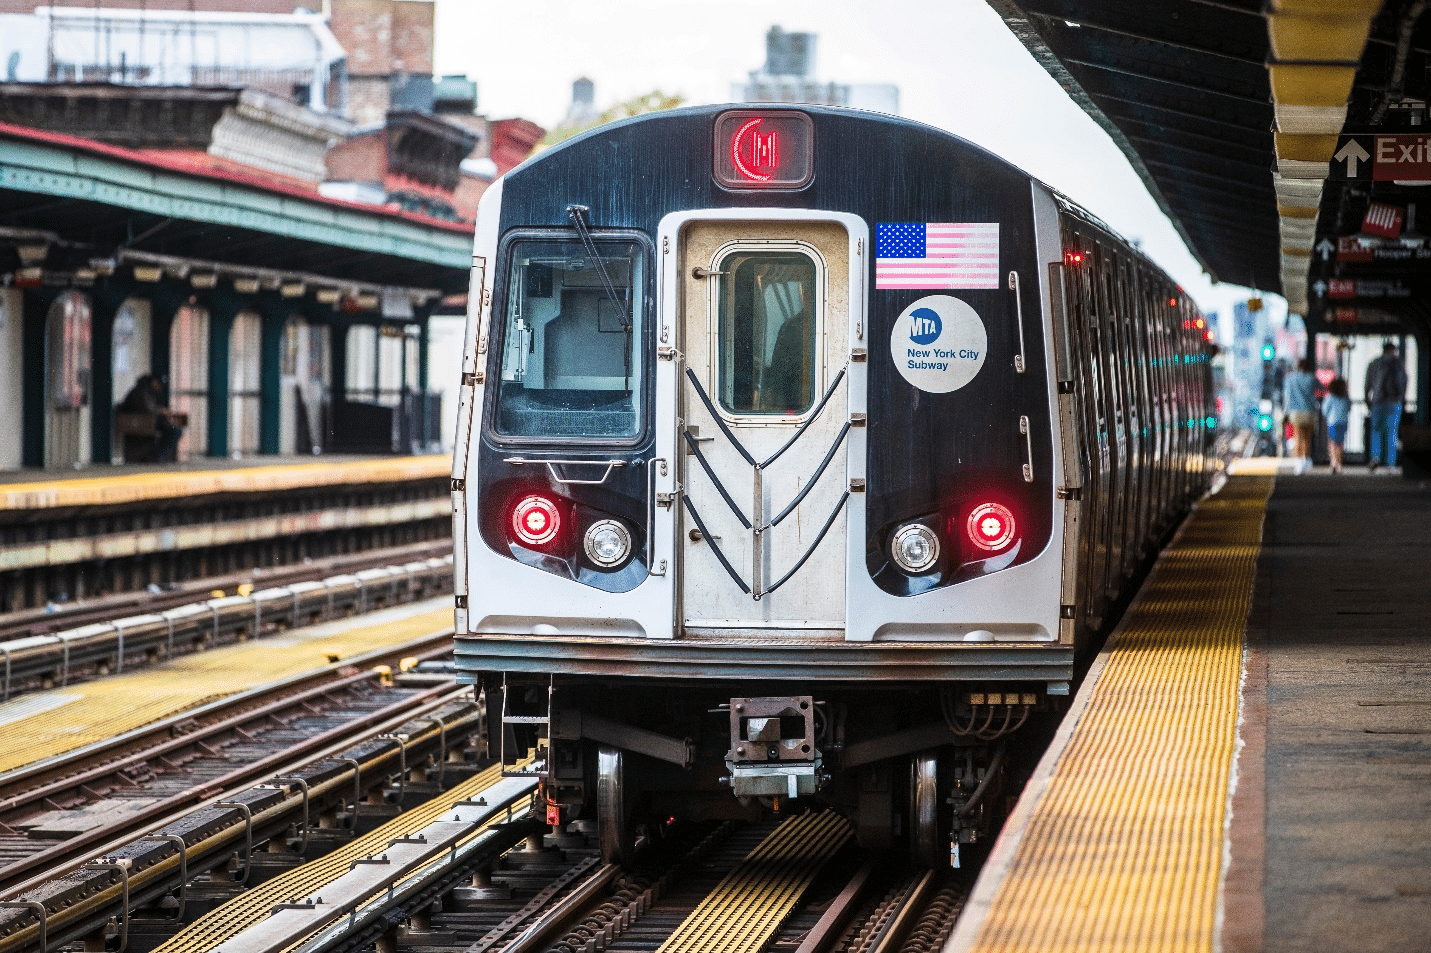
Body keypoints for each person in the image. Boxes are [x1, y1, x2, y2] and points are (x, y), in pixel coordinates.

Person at [119, 373, 184, 462]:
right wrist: (161, 411)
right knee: (174, 431)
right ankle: (157, 456)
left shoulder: (151, 391)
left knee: (176, 428)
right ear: (153, 381)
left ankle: (158, 455)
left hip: (147, 421)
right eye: (158, 383)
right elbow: (148, 408)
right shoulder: (141, 390)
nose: (159, 386)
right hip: (138, 421)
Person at [1365, 341, 1408, 472]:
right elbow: (1405, 382)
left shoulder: (1374, 363)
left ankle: (1375, 457)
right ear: (1393, 350)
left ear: (1383, 350)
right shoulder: (1399, 363)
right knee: (1391, 433)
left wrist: (1367, 398)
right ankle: (1390, 464)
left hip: (1377, 402)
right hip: (1394, 403)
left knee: (1376, 431)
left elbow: (1368, 383)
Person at [1282, 357, 1319, 470]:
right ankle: (1305, 460)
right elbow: (1321, 388)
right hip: (1310, 411)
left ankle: (1298, 463)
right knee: (1307, 438)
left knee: (1297, 437)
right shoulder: (1312, 378)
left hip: (1296, 412)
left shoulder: (1291, 379)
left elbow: (1287, 397)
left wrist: (1285, 413)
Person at [1322, 377, 1351, 474]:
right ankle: (1339, 464)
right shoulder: (1345, 397)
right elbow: (1348, 408)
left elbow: (1325, 410)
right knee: (1340, 443)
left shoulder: (1330, 397)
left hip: (1332, 422)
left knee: (1332, 443)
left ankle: (1333, 462)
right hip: (1343, 422)